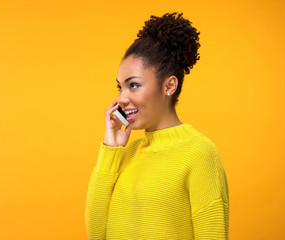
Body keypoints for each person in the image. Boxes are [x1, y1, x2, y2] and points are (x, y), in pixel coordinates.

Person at [85, 12, 229, 239]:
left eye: (133, 85)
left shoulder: (200, 154)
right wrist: (110, 150)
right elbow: (96, 233)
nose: (122, 98)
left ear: (169, 85)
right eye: (120, 87)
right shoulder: (126, 154)